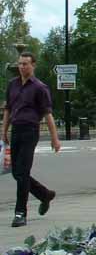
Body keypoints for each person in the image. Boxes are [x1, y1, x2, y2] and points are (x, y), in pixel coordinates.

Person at [2, 52, 61, 228]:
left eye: (26, 64)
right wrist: (3, 130)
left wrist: (54, 138)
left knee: (22, 172)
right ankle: (44, 194)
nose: (22, 67)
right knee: (17, 173)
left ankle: (20, 213)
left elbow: (48, 114)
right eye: (20, 64)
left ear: (33, 65)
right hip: (16, 131)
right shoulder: (12, 85)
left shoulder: (39, 88)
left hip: (30, 131)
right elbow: (7, 109)